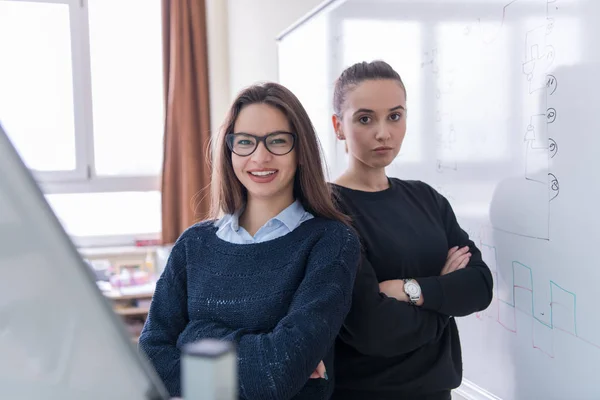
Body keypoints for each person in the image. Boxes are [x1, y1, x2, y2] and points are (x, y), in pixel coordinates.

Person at [139, 82, 360, 400]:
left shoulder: (331, 243)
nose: (260, 156)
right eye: (245, 142)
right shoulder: (193, 244)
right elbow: (151, 361)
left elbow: (276, 375)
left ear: (301, 152)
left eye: (278, 141)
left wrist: (193, 337)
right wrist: (265, 351)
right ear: (229, 152)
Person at [329, 60, 494, 400]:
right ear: (338, 126)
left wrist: (409, 290)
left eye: (395, 116)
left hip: (438, 390)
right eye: (365, 118)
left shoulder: (426, 198)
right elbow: (371, 328)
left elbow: (479, 284)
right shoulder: (329, 211)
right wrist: (444, 299)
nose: (383, 133)